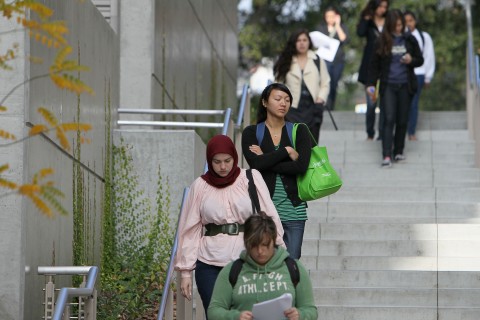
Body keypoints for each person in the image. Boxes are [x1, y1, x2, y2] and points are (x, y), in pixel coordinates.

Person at [174, 134, 285, 317]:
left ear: (235, 157)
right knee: (216, 314)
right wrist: (186, 272)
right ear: (209, 160)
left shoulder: (251, 178)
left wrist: (280, 254)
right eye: (217, 162)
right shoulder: (200, 186)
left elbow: (269, 216)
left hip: (247, 259)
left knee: (246, 313)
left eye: (228, 160)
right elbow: (190, 230)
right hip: (208, 262)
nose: (223, 167)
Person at [242, 83, 313, 260]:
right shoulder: (251, 132)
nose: (283, 103)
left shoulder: (299, 130)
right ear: (265, 102)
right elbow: (254, 164)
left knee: (292, 263)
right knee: (265, 261)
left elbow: (301, 166)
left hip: (295, 210)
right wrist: (286, 151)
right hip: (264, 212)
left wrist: (266, 158)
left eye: (287, 100)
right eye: (278, 99)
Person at [208, 212, 318, 320]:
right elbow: (214, 311)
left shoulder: (294, 268)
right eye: (254, 245)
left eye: (265, 245)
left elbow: (310, 310)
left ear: (274, 240)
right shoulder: (232, 270)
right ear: (246, 243)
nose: (260, 251)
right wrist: (235, 316)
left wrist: (300, 315)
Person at [366, 9, 424, 167]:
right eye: (396, 25)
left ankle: (398, 151)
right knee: (389, 118)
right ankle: (386, 155)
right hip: (388, 85)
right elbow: (374, 65)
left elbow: (420, 60)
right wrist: (370, 84)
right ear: (390, 25)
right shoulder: (382, 41)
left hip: (405, 85)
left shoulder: (410, 39)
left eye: (401, 25)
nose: (399, 28)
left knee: (402, 119)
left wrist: (411, 59)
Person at [273, 29, 330, 142]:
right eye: (298, 40)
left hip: (313, 107)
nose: (302, 43)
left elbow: (325, 82)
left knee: (312, 143)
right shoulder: (286, 61)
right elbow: (278, 84)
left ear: (309, 42)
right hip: (292, 108)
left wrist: (320, 99)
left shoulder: (317, 60)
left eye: (305, 40)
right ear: (294, 43)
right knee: (293, 142)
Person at [357, 0, 390, 140]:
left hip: (386, 66)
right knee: (371, 103)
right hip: (370, 68)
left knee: (386, 103)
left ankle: (383, 133)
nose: (383, 9)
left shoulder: (389, 21)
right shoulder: (368, 21)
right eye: (380, 6)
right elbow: (360, 33)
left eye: (385, 7)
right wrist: (366, 18)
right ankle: (370, 132)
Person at [404, 10, 436, 141]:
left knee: (413, 103)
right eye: (405, 22)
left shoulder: (424, 37)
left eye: (410, 21)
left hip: (419, 74)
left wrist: (428, 76)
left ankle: (411, 131)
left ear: (415, 21)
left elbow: (429, 57)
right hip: (402, 75)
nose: (408, 24)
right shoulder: (399, 38)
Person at [316, 6, 349, 111]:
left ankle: (331, 107)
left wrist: (338, 25)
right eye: (328, 16)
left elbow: (344, 39)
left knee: (333, 84)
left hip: (337, 61)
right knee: (325, 83)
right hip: (325, 60)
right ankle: (323, 106)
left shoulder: (342, 26)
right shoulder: (321, 27)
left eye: (332, 16)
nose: (330, 18)